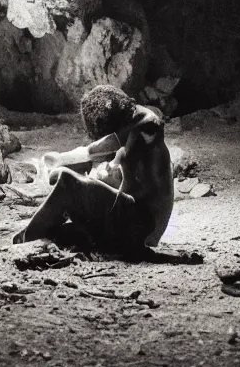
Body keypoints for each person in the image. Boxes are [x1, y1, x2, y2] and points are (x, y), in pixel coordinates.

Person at [13, 84, 174, 256]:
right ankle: (27, 237)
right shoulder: (134, 121)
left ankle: (24, 240)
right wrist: (61, 159)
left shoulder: (148, 127)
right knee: (63, 225)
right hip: (139, 221)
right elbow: (100, 147)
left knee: (68, 182)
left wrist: (87, 185)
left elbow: (105, 150)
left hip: (141, 224)